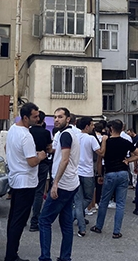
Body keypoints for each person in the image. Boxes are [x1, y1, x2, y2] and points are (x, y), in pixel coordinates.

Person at [5, 103, 47, 261]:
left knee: (13, 218)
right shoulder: (26, 136)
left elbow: (7, 148)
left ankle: (10, 252)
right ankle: (11, 255)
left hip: (16, 179)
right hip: (26, 181)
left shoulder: (12, 130)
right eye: (34, 116)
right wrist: (40, 156)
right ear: (25, 117)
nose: (38, 119)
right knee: (19, 220)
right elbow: (32, 162)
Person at [38, 107, 81, 261]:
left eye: (60, 117)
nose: (56, 120)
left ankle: (45, 257)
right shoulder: (69, 134)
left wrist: (55, 183)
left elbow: (65, 159)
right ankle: (65, 257)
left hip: (63, 184)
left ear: (68, 119)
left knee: (44, 220)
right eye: (55, 117)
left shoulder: (66, 135)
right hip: (71, 183)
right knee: (66, 223)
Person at [90, 119, 138, 239]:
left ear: (111, 129)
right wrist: (128, 160)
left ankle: (98, 226)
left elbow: (100, 157)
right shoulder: (126, 142)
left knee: (104, 201)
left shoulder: (106, 142)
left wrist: (99, 174)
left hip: (110, 173)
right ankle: (116, 231)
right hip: (123, 173)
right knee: (120, 203)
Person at [73, 117, 104, 237]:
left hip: (75, 171)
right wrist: (104, 141)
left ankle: (81, 227)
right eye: (91, 125)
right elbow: (100, 152)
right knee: (88, 197)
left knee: (78, 200)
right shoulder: (91, 138)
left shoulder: (74, 137)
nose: (93, 127)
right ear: (86, 126)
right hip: (87, 172)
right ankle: (74, 217)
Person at [28, 111, 53, 232]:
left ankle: (22, 218)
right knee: (39, 192)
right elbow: (49, 148)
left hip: (29, 162)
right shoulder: (46, 133)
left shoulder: (28, 132)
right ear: (43, 121)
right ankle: (34, 221)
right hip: (42, 163)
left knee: (27, 191)